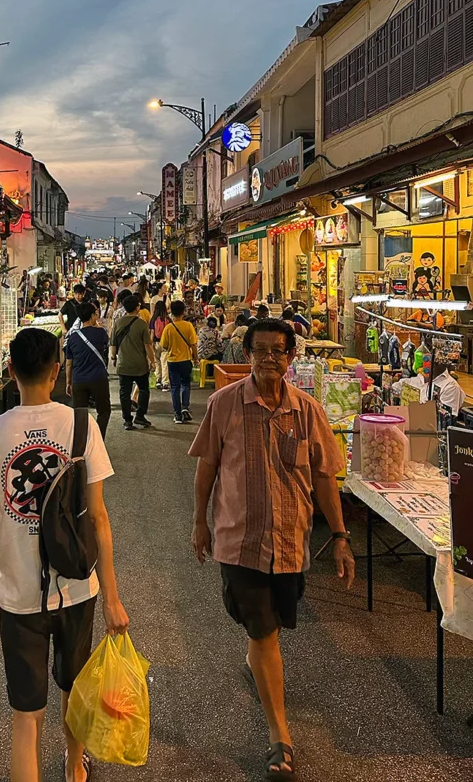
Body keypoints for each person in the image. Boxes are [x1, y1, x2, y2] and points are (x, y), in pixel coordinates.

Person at [189, 318, 355, 781]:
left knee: (273, 626)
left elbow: (323, 477)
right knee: (263, 631)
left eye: (278, 351)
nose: (269, 359)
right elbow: (207, 467)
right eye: (260, 351)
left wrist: (340, 537)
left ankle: (255, 660)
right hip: (239, 540)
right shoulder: (224, 404)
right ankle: (279, 737)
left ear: (290, 357)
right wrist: (199, 522)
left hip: (289, 542)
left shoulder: (307, 411)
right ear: (246, 354)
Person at [0, 329, 129, 782]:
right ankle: (75, 767)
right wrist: (112, 597)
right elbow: (97, 517)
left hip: (18, 593)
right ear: (57, 371)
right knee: (74, 690)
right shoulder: (82, 425)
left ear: (10, 371)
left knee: (25, 714)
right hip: (77, 585)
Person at [65, 302, 112, 438]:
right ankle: (97, 438)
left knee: (80, 414)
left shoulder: (73, 337)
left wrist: (69, 382)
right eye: (95, 314)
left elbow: (69, 363)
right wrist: (97, 325)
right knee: (103, 411)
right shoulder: (100, 333)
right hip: (98, 378)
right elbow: (105, 345)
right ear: (92, 316)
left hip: (78, 379)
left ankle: (81, 444)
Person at [110, 294, 156, 430]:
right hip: (140, 365)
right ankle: (140, 416)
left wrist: (113, 358)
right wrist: (152, 361)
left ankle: (127, 420)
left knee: (124, 392)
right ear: (137, 307)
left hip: (123, 364)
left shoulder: (118, 323)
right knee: (143, 390)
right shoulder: (142, 324)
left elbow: (113, 344)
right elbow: (148, 345)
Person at [160, 299, 198, 424]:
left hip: (172, 361)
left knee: (175, 387)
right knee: (186, 384)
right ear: (183, 312)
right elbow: (193, 344)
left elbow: (164, 346)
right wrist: (196, 358)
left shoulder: (168, 328)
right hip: (186, 360)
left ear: (172, 312)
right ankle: (185, 408)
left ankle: (177, 414)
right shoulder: (188, 326)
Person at [150, 299, 170, 390]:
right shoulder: (168, 319)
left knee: (157, 362)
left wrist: (150, 344)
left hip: (156, 343)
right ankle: (165, 383)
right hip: (166, 343)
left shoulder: (153, 319)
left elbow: (152, 334)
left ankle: (158, 380)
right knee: (165, 363)